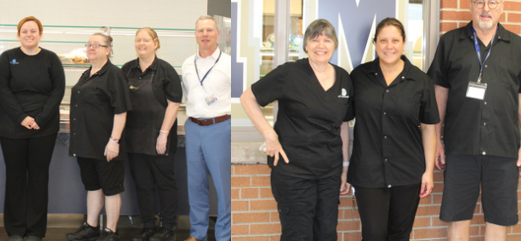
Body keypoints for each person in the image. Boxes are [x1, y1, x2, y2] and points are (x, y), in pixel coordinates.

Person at [427, 0, 521, 241]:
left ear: (502, 7)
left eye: (492, 2)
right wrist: (436, 140)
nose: (485, 8)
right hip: (460, 147)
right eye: (479, 2)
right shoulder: (450, 42)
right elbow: (440, 93)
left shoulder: (519, 47)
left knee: (498, 220)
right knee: (458, 219)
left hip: (504, 149)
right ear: (470, 6)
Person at [239, 19, 353, 241]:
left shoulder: (343, 78)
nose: (321, 45)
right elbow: (247, 98)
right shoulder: (289, 73)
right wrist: (269, 134)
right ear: (306, 45)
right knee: (298, 235)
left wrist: (344, 167)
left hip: (329, 173)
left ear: (334, 45)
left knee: (326, 234)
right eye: (315, 39)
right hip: (294, 172)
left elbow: (342, 125)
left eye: (327, 40)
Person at [349, 18, 438, 241]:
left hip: (407, 172)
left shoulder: (420, 80)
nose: (389, 46)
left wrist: (428, 171)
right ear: (375, 44)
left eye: (395, 40)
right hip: (368, 172)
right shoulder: (359, 77)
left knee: (400, 235)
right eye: (383, 40)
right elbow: (343, 120)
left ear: (404, 43)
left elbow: (429, 129)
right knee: (373, 235)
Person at [0, 17, 65, 241]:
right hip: (12, 126)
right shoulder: (7, 58)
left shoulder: (51, 59)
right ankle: (15, 230)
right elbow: (2, 90)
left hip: (44, 127)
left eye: (33, 31)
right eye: (24, 31)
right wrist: (22, 117)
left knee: (38, 178)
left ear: (40, 34)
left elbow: (58, 91)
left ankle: (35, 231)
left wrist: (41, 119)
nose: (29, 35)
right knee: (15, 177)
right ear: (18, 35)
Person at [65, 32, 131, 241]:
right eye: (89, 44)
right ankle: (91, 227)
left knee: (111, 188)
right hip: (85, 143)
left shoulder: (114, 74)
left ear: (108, 50)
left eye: (97, 45)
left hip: (105, 143)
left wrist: (114, 141)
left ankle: (111, 231)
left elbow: (121, 110)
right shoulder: (87, 73)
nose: (91, 48)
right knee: (92, 186)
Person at [121, 28, 182, 241]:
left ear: (155, 43)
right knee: (142, 183)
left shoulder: (166, 70)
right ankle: (148, 225)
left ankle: (168, 228)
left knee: (165, 183)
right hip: (134, 136)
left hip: (159, 135)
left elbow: (174, 104)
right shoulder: (127, 69)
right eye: (138, 40)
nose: (141, 44)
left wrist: (163, 134)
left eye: (146, 40)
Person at [181, 16, 231, 241]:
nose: (205, 34)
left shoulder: (229, 63)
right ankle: (197, 233)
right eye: (201, 30)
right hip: (193, 127)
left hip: (219, 127)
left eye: (209, 30)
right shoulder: (187, 64)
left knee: (223, 186)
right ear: (195, 35)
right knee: (196, 184)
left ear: (218, 34)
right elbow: (188, 94)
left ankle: (224, 235)